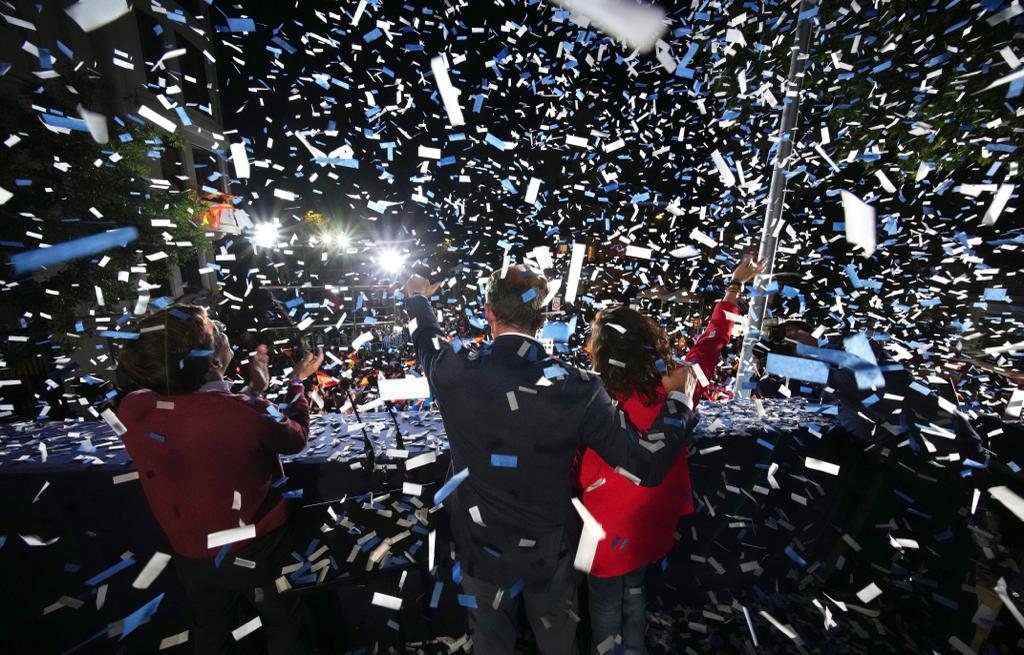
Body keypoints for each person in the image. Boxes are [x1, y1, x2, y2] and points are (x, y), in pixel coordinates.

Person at [403, 265, 700, 655]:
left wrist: (417, 297)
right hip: (549, 552)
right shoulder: (578, 386)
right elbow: (644, 466)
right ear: (542, 320)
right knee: (558, 641)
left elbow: (425, 336)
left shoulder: (452, 371)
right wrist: (678, 401)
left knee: (491, 645)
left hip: (480, 548)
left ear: (489, 313)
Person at [577, 255, 764, 654]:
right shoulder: (678, 377)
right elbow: (713, 341)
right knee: (635, 588)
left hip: (604, 512)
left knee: (606, 597)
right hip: (653, 509)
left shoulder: (593, 392)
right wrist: (733, 288)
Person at [116, 304, 323, 655]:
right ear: (212, 360)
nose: (225, 334)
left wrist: (252, 392)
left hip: (191, 553)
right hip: (257, 549)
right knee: (284, 625)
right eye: (216, 331)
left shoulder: (134, 409)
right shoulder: (245, 410)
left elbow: (202, 415)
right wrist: (295, 383)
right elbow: (295, 436)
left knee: (213, 632)